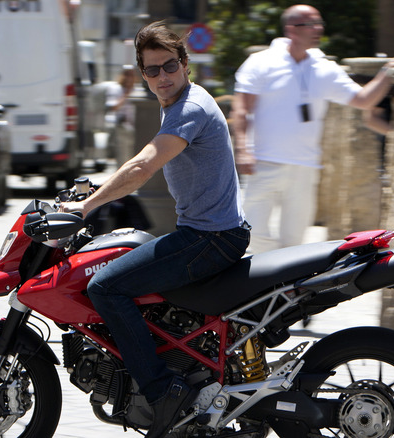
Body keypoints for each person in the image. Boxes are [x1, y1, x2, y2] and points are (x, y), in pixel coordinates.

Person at [60, 21, 249, 437]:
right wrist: (93, 189)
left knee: (105, 287)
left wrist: (87, 207)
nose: (162, 77)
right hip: (212, 233)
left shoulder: (190, 108)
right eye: (151, 70)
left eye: (169, 67)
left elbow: (144, 166)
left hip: (209, 239)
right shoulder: (180, 104)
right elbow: (138, 162)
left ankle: (163, 392)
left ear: (185, 65)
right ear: (142, 75)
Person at [231, 4, 394, 254]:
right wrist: (242, 149)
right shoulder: (261, 62)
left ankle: (282, 286)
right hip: (263, 162)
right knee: (249, 233)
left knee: (294, 243)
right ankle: (265, 267)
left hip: (305, 168)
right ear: (292, 29)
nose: (318, 29)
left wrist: (388, 72)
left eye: (319, 24)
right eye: (311, 24)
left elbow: (362, 100)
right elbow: (241, 109)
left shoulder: (323, 67)